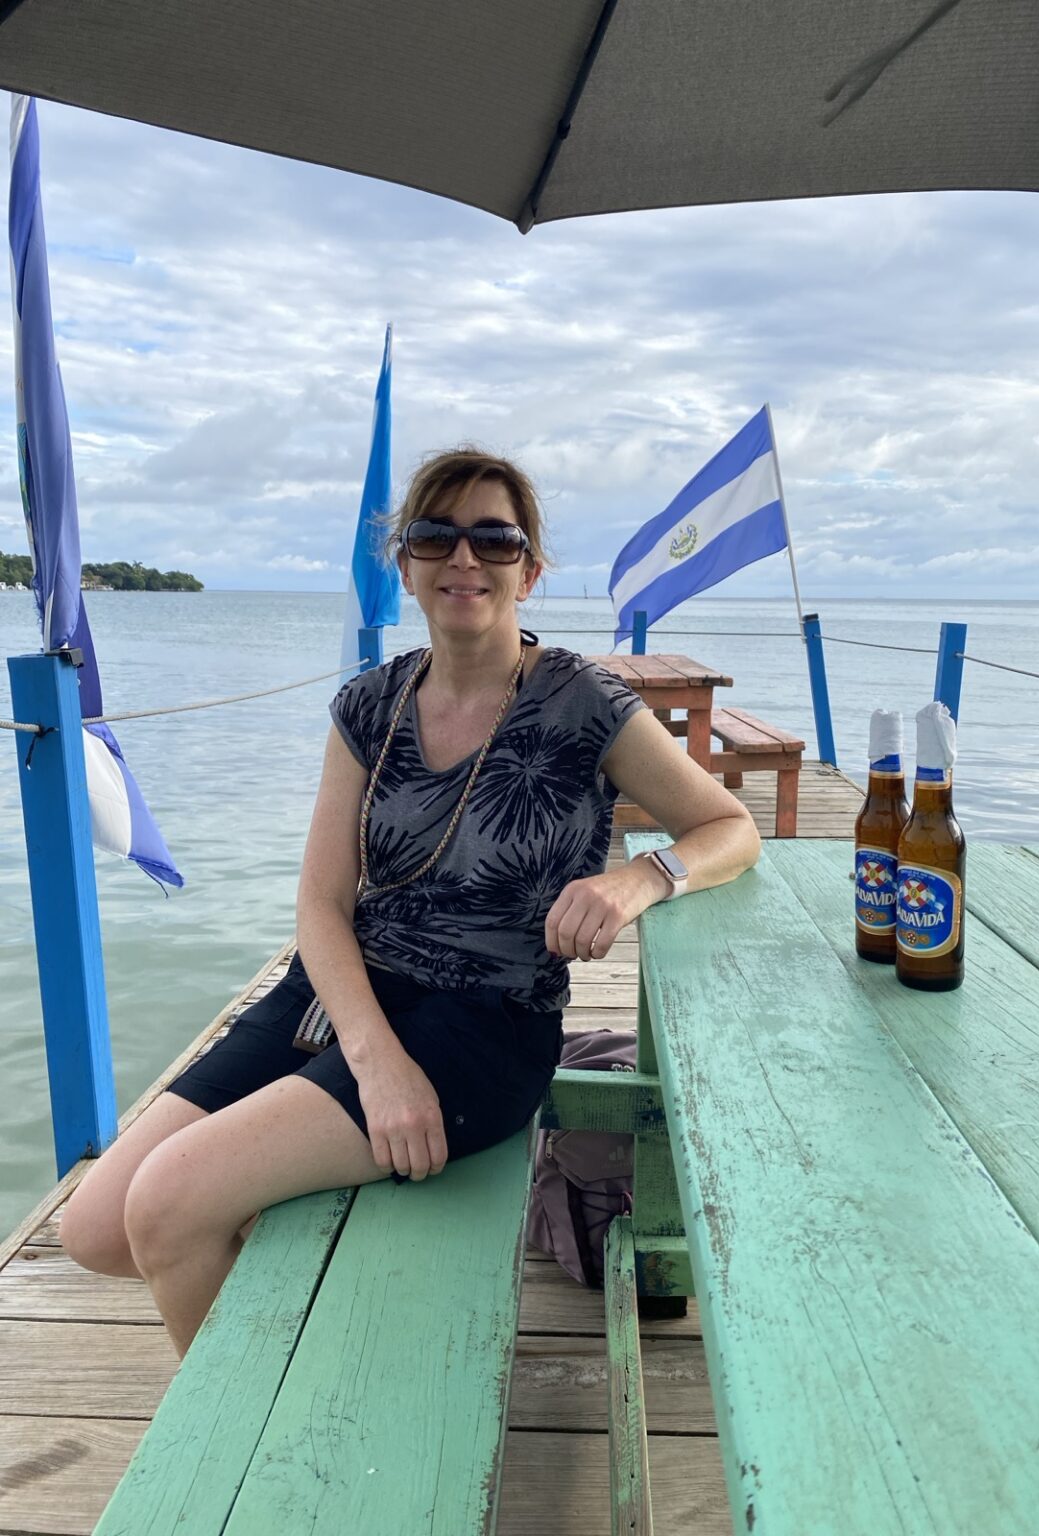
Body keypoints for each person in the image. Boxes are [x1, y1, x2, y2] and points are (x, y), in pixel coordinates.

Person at [59, 447, 761, 1356]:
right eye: (436, 535)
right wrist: (376, 1062)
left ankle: (269, 1451)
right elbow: (319, 905)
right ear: (408, 565)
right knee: (98, 1229)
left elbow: (728, 828)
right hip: (351, 993)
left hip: (485, 1021)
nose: (463, 558)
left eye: (493, 538)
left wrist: (637, 879)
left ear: (530, 569)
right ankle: (288, 1303)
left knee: (168, 1205)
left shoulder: (582, 701)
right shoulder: (370, 705)